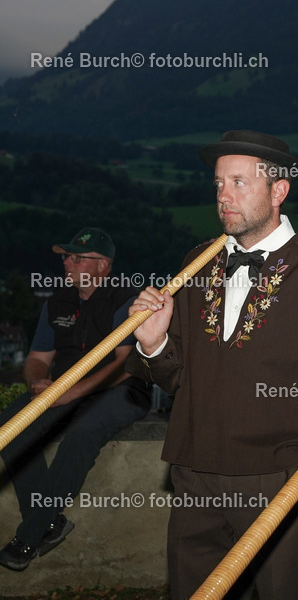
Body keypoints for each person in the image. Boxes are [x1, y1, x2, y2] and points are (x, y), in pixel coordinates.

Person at [127, 131, 298, 600]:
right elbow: (179, 378)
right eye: (219, 183)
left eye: (239, 182)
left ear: (278, 191)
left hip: (280, 482)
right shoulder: (195, 266)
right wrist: (154, 342)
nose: (224, 195)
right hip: (194, 475)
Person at [0, 228, 150, 571]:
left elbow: (124, 364)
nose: (66, 262)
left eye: (77, 257)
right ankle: (49, 522)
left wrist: (68, 394)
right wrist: (39, 381)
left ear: (103, 266)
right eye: (66, 256)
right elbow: (38, 355)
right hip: (66, 388)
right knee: (12, 422)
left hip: (121, 389)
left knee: (81, 435)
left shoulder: (126, 298)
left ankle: (29, 536)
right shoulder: (58, 301)